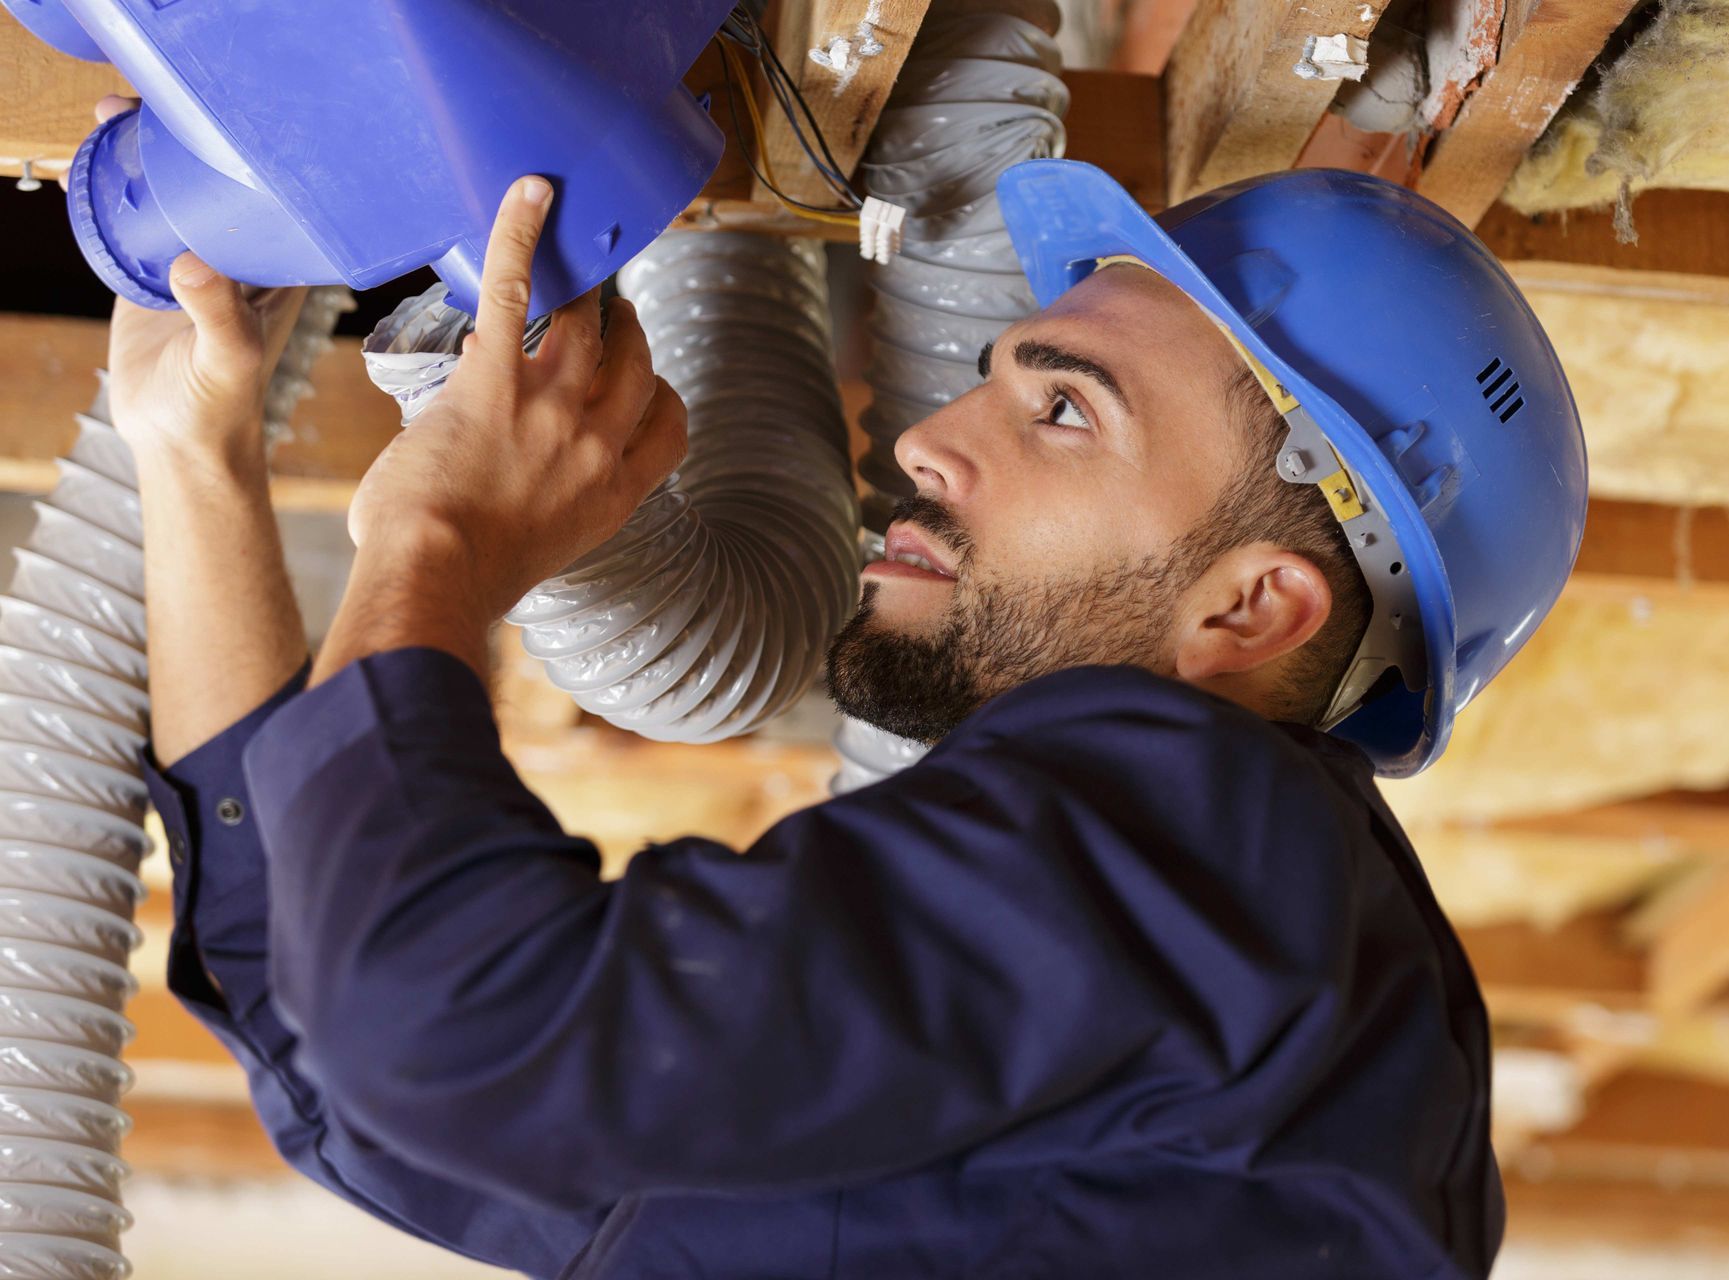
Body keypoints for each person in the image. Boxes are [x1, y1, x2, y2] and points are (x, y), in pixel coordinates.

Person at [124, 107, 1585, 1276]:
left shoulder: (1214, 843)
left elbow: (411, 1042)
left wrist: (433, 542)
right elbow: (351, 1040)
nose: (932, 440)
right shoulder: (1234, 920)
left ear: (1254, 607)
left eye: (1064, 408)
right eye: (1001, 379)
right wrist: (194, 454)